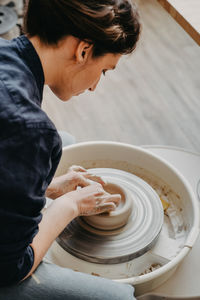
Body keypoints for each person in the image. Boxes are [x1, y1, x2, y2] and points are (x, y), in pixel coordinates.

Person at [0, 0, 140, 298]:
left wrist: (48, 187)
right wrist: (70, 206)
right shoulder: (29, 129)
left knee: (66, 143)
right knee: (120, 297)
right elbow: (10, 268)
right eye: (104, 71)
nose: (94, 87)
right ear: (83, 50)